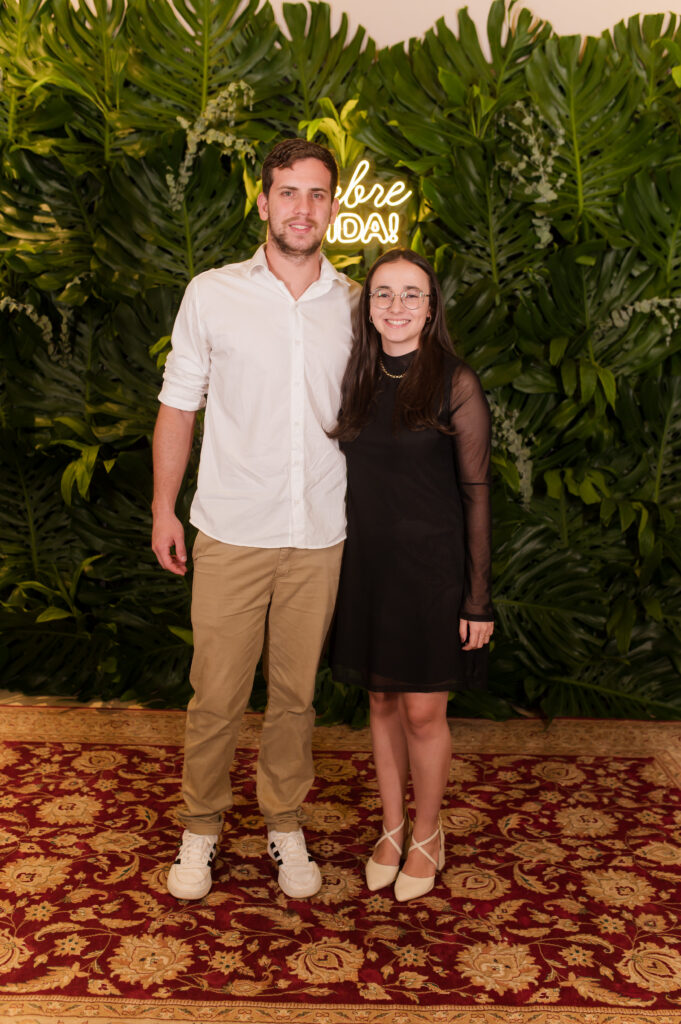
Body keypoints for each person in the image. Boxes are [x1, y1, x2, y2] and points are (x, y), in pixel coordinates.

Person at [152, 139, 360, 901]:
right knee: (215, 695)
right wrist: (162, 508)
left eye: (317, 194)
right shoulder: (211, 293)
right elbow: (179, 405)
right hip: (231, 527)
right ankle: (201, 827)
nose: (303, 208)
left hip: (319, 533)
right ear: (264, 201)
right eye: (288, 192)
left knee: (295, 696)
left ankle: (283, 820)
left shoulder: (357, 303)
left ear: (331, 206)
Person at [328, 248, 493, 902]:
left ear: (430, 308)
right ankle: (392, 827)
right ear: (368, 307)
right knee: (379, 700)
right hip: (366, 565)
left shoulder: (455, 382)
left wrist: (477, 599)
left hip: (431, 571)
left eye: (411, 294)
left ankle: (428, 833)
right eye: (383, 294)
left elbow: (476, 493)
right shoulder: (355, 377)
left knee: (423, 710)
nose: (396, 306)